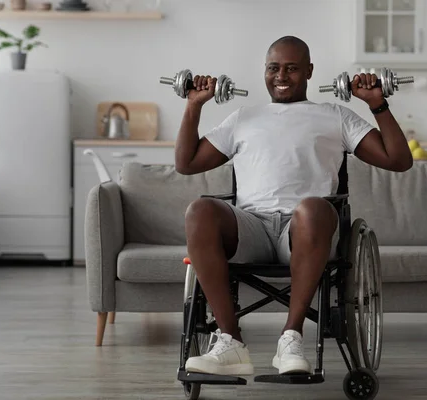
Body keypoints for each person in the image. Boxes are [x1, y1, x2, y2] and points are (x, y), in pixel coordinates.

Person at [176, 36, 412, 377]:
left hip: (305, 231)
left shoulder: (335, 116)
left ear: (309, 71)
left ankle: (292, 337)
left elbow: (399, 160)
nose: (281, 76)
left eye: (291, 68)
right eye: (273, 68)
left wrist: (377, 103)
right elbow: (186, 163)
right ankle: (230, 341)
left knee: (313, 208)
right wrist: (194, 105)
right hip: (251, 227)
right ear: (265, 72)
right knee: (199, 210)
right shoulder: (243, 117)